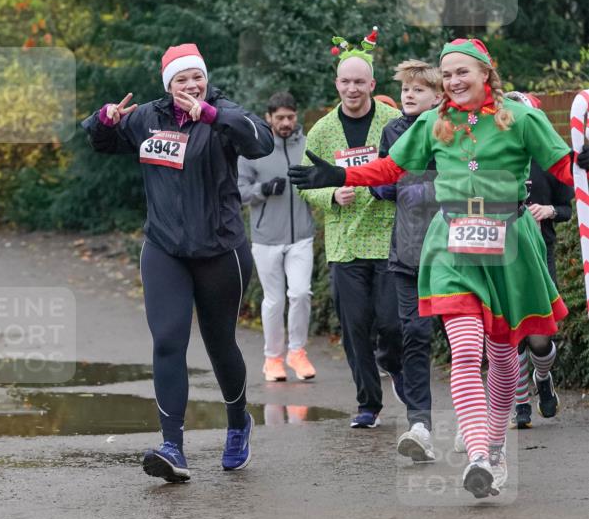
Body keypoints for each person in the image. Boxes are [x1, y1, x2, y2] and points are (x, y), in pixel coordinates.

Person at [290, 37, 589, 499]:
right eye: (446, 74)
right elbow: (391, 168)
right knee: (467, 350)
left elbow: (566, 171)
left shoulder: (523, 117)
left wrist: (582, 164)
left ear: (485, 73)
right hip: (451, 241)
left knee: (504, 356)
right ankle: (476, 455)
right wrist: (340, 175)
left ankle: (494, 447)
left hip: (508, 242)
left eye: (461, 72)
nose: (452, 81)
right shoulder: (434, 121)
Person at [83, 43, 273, 483]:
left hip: (220, 249)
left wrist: (210, 114)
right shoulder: (149, 117)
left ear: (205, 79)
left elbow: (260, 141)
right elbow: (101, 140)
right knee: (168, 341)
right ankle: (173, 447)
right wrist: (104, 119)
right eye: (180, 80)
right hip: (164, 249)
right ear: (168, 86)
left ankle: (239, 422)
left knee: (219, 342)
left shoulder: (223, 113)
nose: (190, 86)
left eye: (196, 78)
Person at [297, 29, 405, 429]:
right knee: (356, 328)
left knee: (392, 324)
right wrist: (329, 197)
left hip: (389, 238)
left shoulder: (394, 122)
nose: (353, 88)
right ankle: (368, 405)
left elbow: (410, 170)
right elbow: (307, 186)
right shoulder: (323, 131)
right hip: (345, 245)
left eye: (360, 81)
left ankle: (392, 363)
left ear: (373, 85)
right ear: (337, 84)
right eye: (346, 81)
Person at [370, 60, 443, 462]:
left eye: (418, 89)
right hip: (408, 252)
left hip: (455, 252)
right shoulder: (393, 131)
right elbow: (383, 184)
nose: (409, 95)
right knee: (413, 335)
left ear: (439, 96)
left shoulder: (455, 131)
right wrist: (383, 184)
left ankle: (482, 426)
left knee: (468, 343)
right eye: (406, 89)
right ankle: (421, 427)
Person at [506, 91, 574, 428]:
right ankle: (519, 403)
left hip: (539, 253)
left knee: (539, 337)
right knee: (509, 335)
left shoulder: (549, 163)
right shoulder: (492, 159)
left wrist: (548, 210)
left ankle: (543, 378)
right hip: (500, 255)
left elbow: (568, 206)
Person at [237, 91, 317, 382]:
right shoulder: (252, 148)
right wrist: (263, 190)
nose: (285, 122)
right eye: (280, 117)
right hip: (266, 237)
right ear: (268, 117)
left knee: (300, 293)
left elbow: (320, 180)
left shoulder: (307, 145)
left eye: (290, 117)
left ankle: (297, 352)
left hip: (302, 235)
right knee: (274, 301)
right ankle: (273, 359)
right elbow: (238, 190)